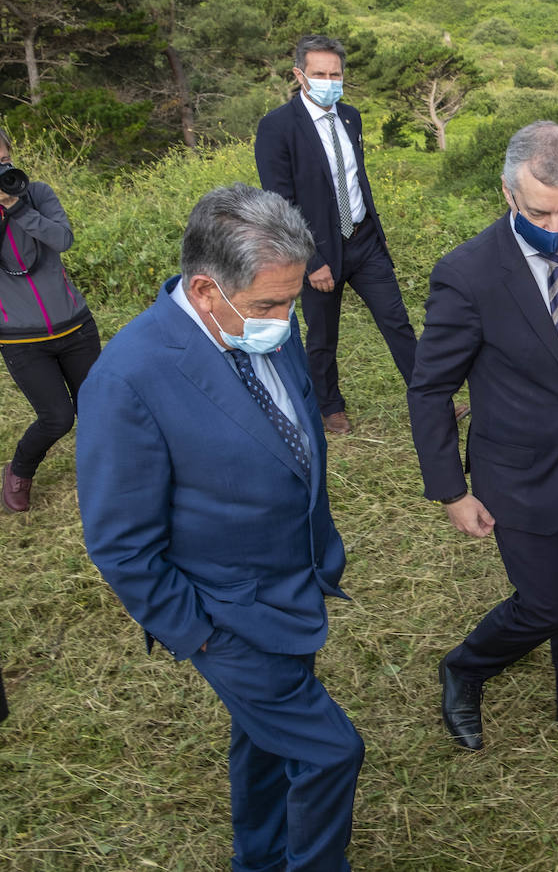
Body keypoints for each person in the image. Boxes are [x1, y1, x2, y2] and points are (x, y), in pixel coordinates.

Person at [76, 185, 363, 870]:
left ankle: (258, 859)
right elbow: (121, 542)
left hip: (293, 589)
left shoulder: (261, 318)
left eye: (293, 300)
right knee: (331, 751)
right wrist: (201, 633)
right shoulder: (130, 378)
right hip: (226, 615)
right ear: (205, 289)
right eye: (270, 305)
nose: (287, 319)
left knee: (266, 744)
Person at [408, 122, 558, 751]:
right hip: (516, 471)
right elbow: (430, 389)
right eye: (539, 212)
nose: (556, 226)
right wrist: (451, 491)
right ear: (510, 195)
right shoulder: (467, 273)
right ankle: (466, 665)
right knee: (546, 603)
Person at [255, 34, 418, 436]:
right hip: (317, 249)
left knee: (397, 321)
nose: (329, 80)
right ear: (299, 75)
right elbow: (280, 202)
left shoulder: (351, 117)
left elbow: (353, 179)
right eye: (319, 74)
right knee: (323, 335)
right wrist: (310, 262)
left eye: (335, 73)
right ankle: (331, 406)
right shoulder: (277, 127)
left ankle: (430, 398)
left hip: (363, 241)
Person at [0, 128, 101, 513]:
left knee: (98, 405)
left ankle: (106, 474)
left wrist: (19, 210)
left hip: (74, 324)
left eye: (5, 161)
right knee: (57, 417)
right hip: (21, 338)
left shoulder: (36, 194)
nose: (2, 169)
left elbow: (63, 239)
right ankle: (19, 469)